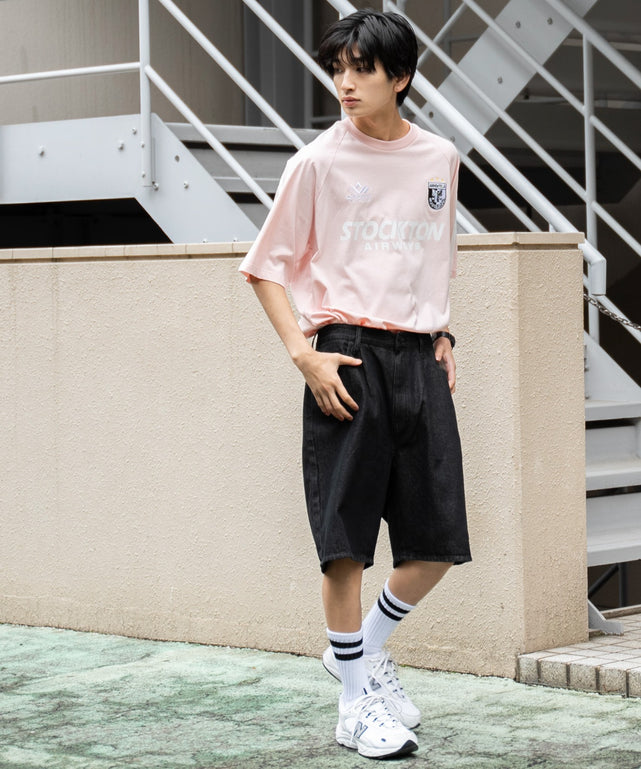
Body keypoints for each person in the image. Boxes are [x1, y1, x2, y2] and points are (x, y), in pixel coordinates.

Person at [239, 8, 471, 760]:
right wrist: (302, 355)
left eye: (361, 69)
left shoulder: (439, 157)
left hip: (420, 358)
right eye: (337, 69)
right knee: (344, 546)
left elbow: (434, 258)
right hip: (345, 356)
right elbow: (264, 268)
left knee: (437, 540)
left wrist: (443, 332)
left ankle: (362, 650)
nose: (344, 83)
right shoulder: (317, 163)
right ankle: (352, 704)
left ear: (399, 77)